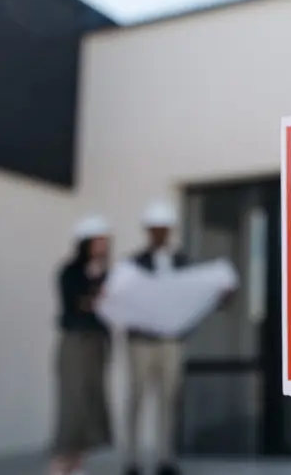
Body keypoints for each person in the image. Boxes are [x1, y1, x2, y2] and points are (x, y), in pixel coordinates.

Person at [124, 201, 189, 475]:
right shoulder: (134, 263)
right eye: (155, 229)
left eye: (164, 229)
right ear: (147, 231)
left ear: (170, 231)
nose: (159, 234)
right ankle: (132, 460)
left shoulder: (182, 262)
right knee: (137, 397)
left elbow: (193, 296)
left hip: (171, 341)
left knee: (169, 399)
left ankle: (166, 459)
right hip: (141, 341)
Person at [51, 215, 113, 475]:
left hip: (97, 343)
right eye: (99, 240)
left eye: (105, 241)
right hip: (77, 342)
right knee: (73, 403)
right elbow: (78, 304)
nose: (104, 245)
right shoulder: (70, 271)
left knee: (90, 403)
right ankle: (60, 465)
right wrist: (98, 293)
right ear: (86, 242)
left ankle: (77, 465)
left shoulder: (106, 272)